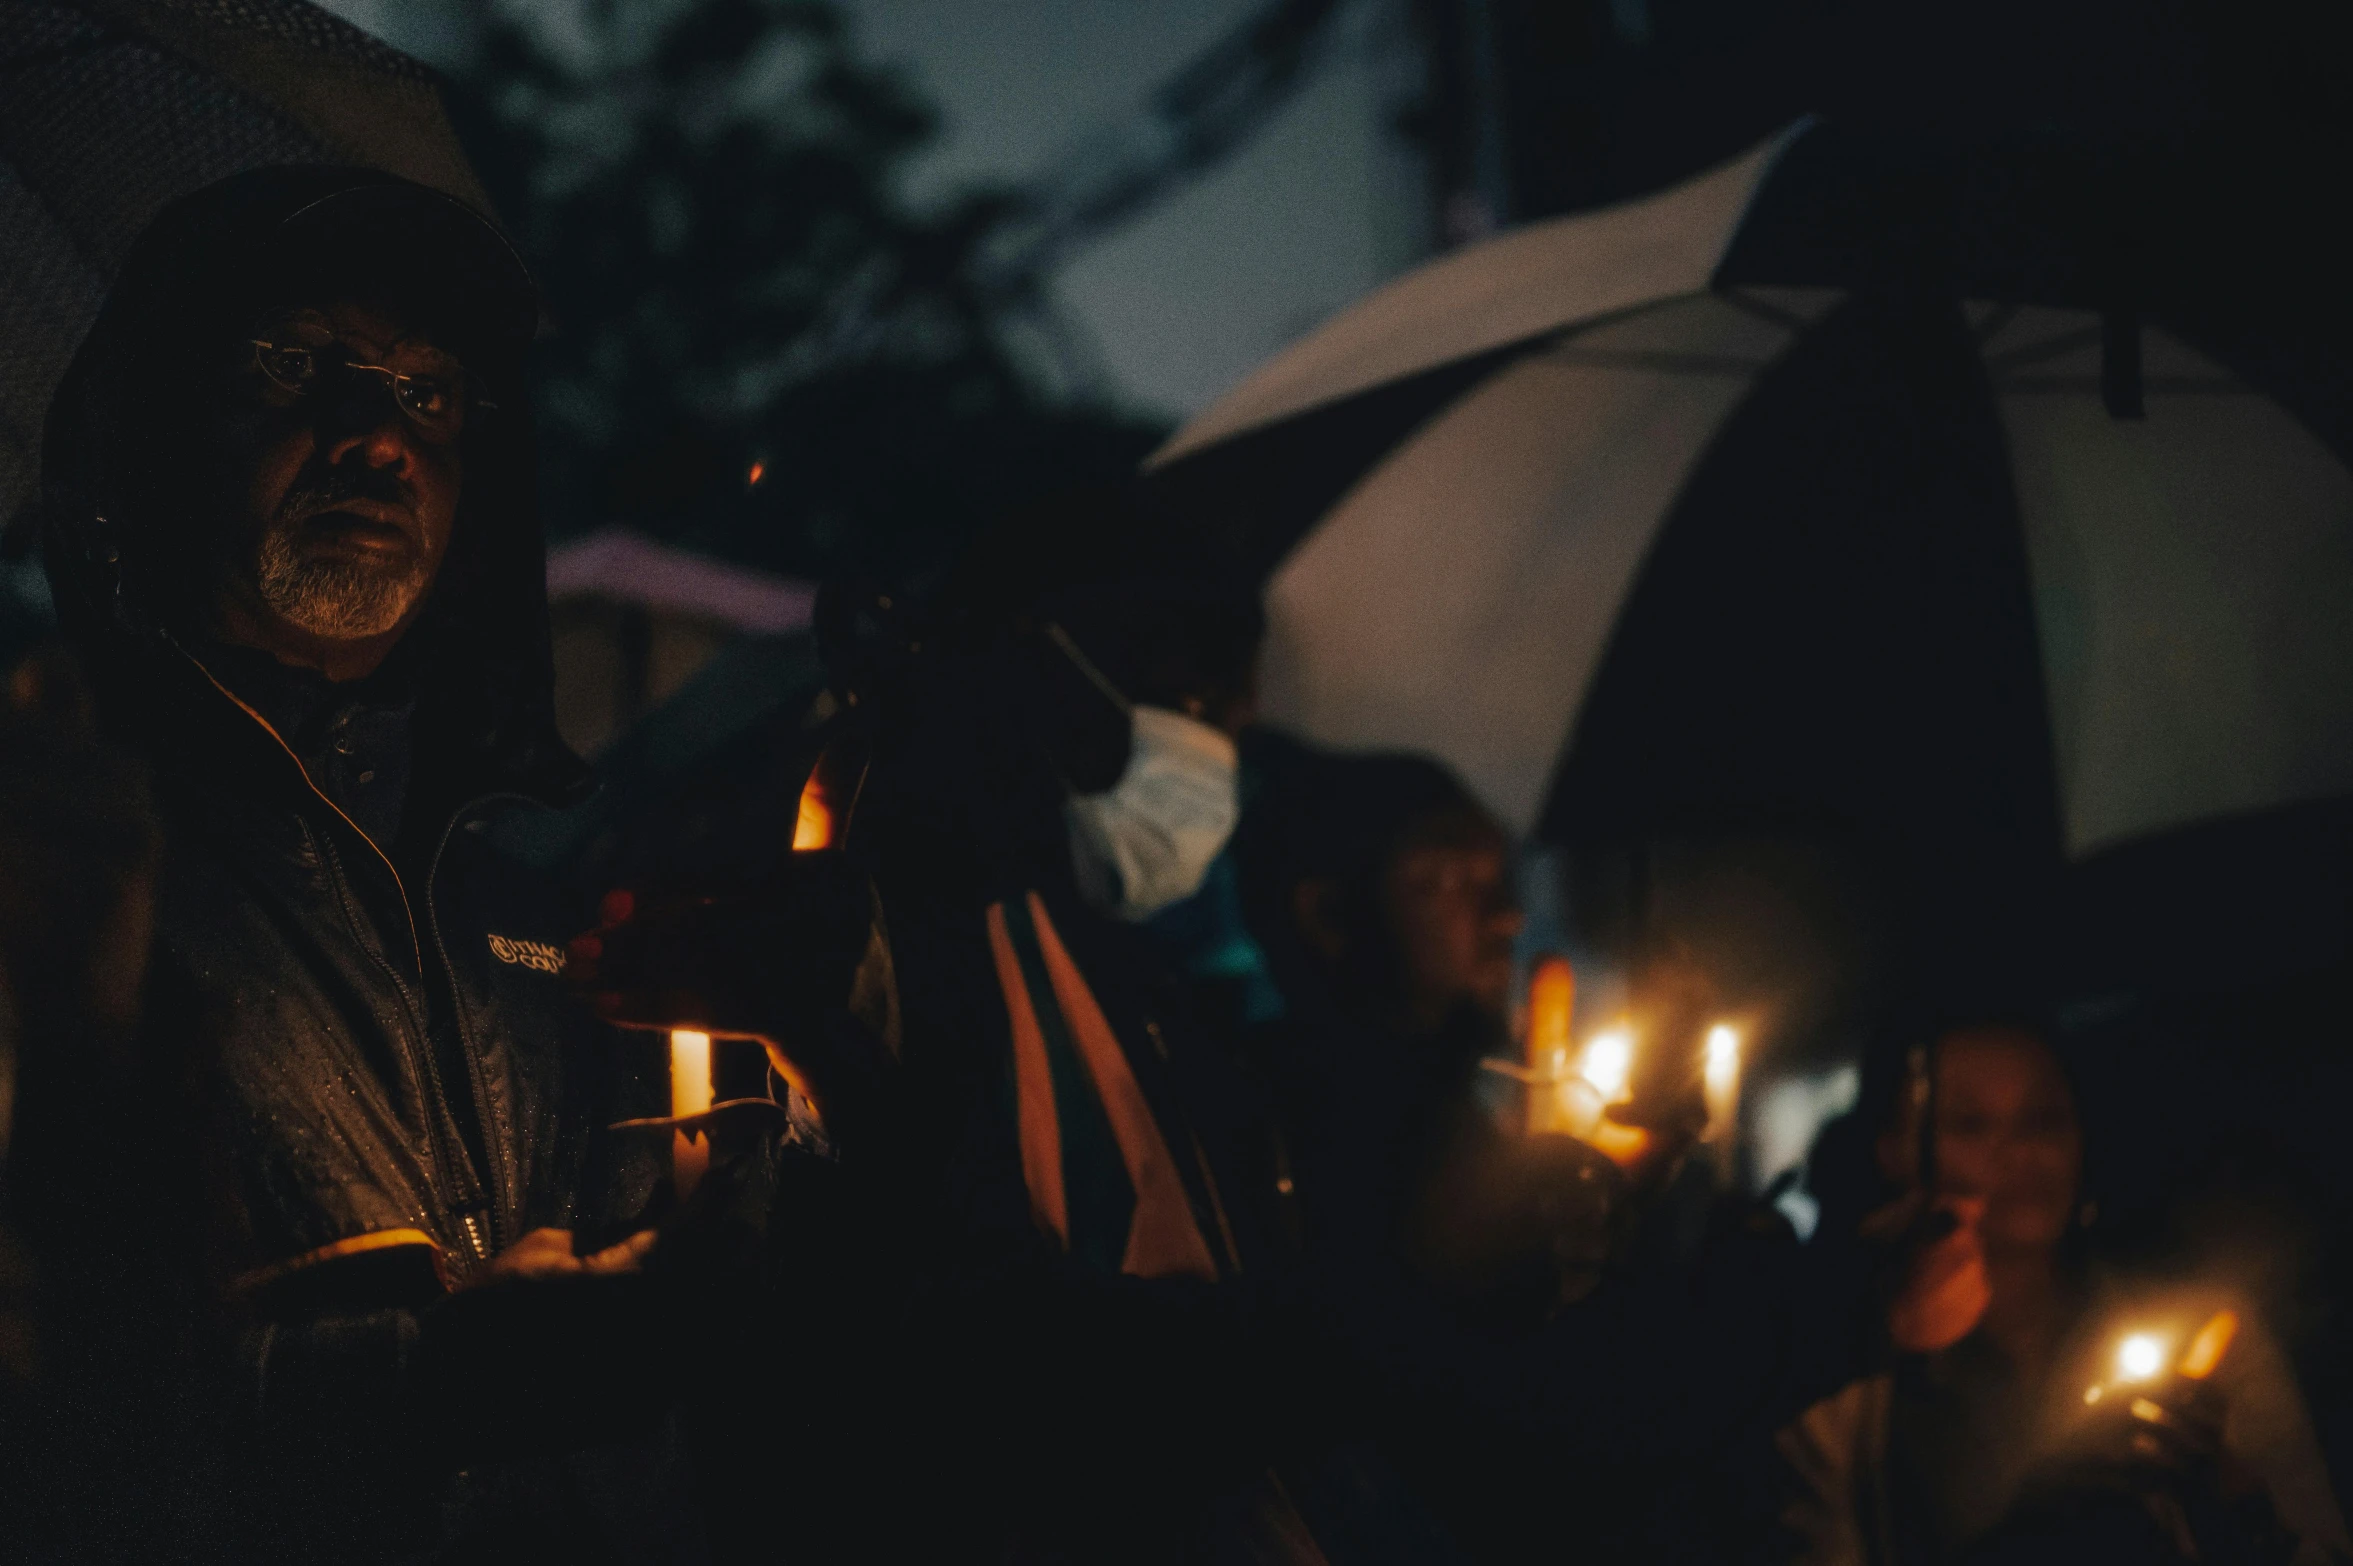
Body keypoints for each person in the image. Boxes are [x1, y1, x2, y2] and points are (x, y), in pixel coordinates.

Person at [35, 167, 683, 1558]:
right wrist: (427, 1383)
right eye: (292, 368)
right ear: (150, 432)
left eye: (428, 395)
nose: (378, 438)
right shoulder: (60, 858)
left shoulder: (528, 893)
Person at [1777, 1022, 2350, 1566]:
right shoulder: (1843, 1390)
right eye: (1972, 1124)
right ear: (1894, 1152)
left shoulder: (2207, 1336)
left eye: (2043, 1120)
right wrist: (2037, 1532)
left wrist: (2236, 1510)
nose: (2019, 1152)